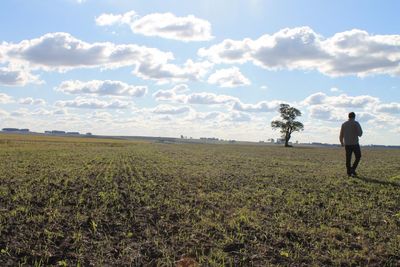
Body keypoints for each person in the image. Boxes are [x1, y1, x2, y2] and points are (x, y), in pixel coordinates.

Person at [339, 112, 363, 177]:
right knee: (358, 156)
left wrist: (341, 142)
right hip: (355, 143)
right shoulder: (356, 123)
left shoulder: (344, 124)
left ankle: (349, 172)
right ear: (354, 117)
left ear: (348, 116)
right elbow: (360, 134)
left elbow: (341, 135)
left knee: (348, 158)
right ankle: (352, 169)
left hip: (347, 144)